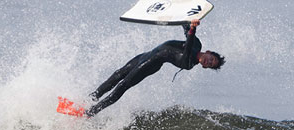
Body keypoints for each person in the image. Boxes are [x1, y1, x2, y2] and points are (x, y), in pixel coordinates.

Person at [86, 19, 225, 117]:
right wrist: (188, 18)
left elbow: (187, 48)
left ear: (204, 67)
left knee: (123, 85)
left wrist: (193, 29)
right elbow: (186, 28)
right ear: (209, 52)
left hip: (152, 64)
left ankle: (91, 112)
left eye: (210, 64)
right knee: (118, 73)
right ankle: (89, 99)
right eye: (211, 59)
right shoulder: (198, 43)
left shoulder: (188, 64)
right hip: (146, 55)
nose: (208, 62)